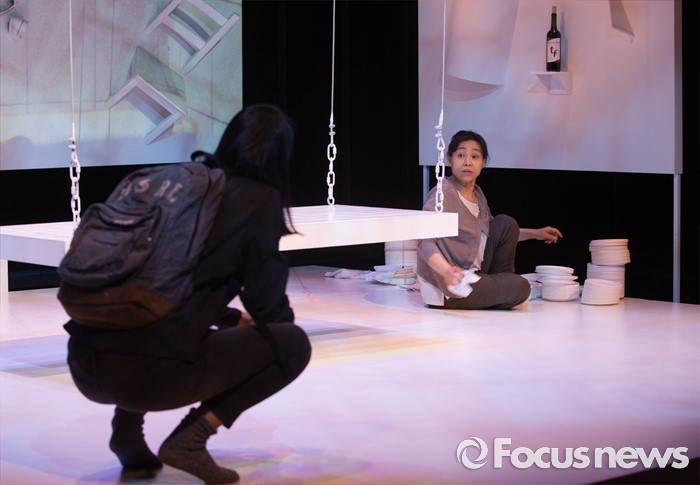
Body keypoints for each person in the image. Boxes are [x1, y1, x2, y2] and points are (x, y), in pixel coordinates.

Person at [64, 104, 312, 484]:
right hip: (148, 378)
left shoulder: (184, 189)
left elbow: (163, 284)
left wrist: (231, 319)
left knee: (161, 331)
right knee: (293, 346)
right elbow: (266, 302)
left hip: (84, 365)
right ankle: (191, 440)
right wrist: (277, 333)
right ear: (280, 154)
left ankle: (126, 431)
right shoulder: (257, 198)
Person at [417, 130, 563, 310]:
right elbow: (424, 241)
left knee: (506, 224)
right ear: (450, 159)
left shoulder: (477, 194)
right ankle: (502, 289)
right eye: (461, 155)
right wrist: (446, 271)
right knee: (521, 287)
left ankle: (499, 288)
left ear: (483, 162)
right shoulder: (442, 194)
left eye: (475, 156)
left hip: (474, 273)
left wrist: (536, 234)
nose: (467, 162)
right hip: (453, 286)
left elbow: (489, 234)